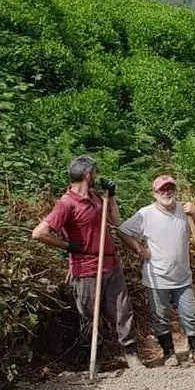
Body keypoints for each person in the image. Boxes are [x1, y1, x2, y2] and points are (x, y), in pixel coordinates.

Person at [32, 155, 144, 371]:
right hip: (86, 269)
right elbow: (39, 233)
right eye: (95, 173)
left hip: (111, 264)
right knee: (90, 316)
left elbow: (115, 221)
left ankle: (132, 355)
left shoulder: (94, 196)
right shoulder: (67, 203)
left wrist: (110, 197)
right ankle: (95, 360)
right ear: (88, 174)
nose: (96, 176)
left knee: (123, 310)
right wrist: (68, 246)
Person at [116, 175, 195, 367]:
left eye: (170, 188)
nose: (166, 192)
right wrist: (140, 250)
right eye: (162, 189)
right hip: (157, 277)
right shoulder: (146, 214)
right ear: (154, 193)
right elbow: (123, 230)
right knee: (160, 317)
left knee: (191, 314)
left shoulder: (185, 210)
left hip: (183, 277)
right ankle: (169, 353)